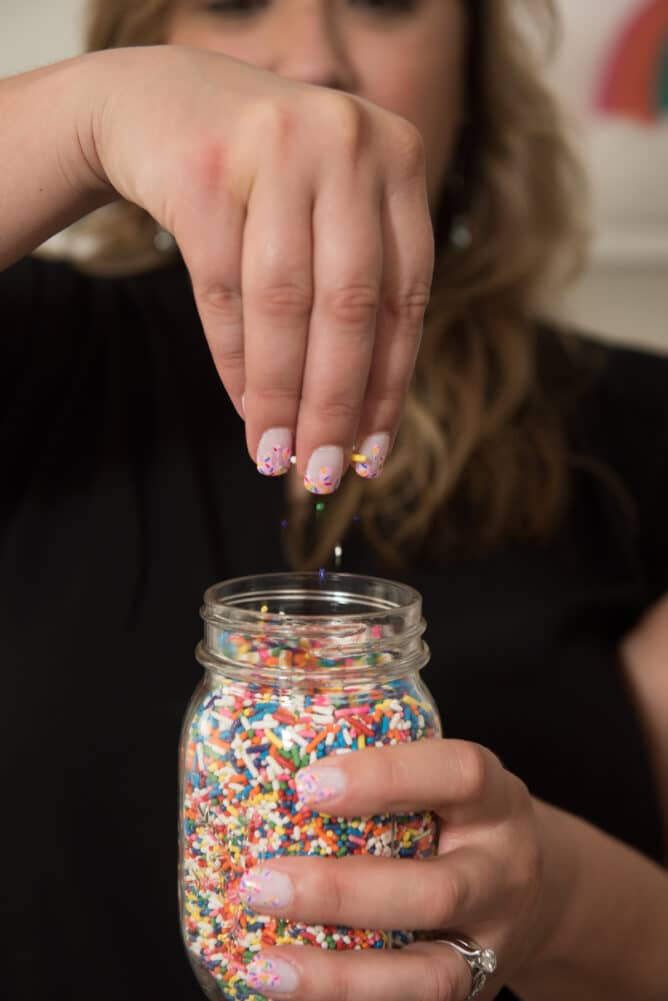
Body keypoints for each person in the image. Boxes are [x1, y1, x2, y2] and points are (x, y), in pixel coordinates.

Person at [1, 1, 667, 999]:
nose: (311, 61)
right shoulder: (38, 358)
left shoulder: (637, 432)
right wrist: (87, 116)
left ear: (474, 69)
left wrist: (562, 903)